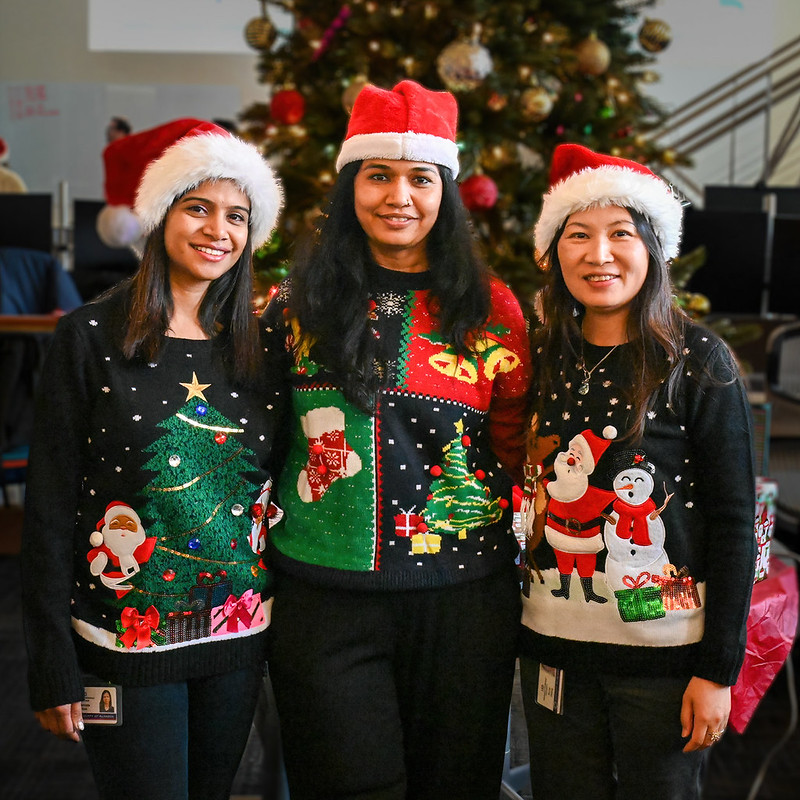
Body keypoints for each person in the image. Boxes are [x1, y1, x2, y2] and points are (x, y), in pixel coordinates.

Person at [261, 79, 532, 799]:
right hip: (323, 597)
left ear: (445, 190)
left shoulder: (491, 307)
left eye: (420, 178)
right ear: (352, 183)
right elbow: (262, 434)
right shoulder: (293, 303)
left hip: (462, 598)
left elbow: (514, 444)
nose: (398, 196)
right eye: (378, 175)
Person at [21, 118, 285, 800]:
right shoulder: (87, 339)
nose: (217, 231)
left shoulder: (261, 349)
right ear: (162, 211)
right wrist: (50, 663)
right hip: (122, 643)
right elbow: (48, 509)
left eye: (237, 215)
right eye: (198, 207)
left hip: (236, 637)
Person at [518, 143, 757, 800]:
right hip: (553, 647)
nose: (599, 255)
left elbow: (737, 521)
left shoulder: (698, 360)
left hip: (666, 659)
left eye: (620, 233)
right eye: (578, 235)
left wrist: (718, 670)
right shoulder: (539, 356)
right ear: (553, 252)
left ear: (654, 246)